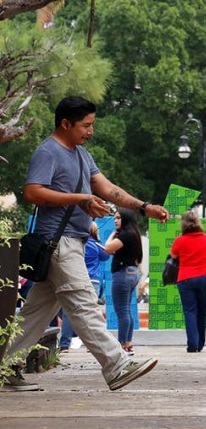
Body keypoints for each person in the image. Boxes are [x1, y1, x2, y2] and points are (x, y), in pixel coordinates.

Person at [3, 96, 168, 392]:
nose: (90, 131)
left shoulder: (80, 153)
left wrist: (144, 207)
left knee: (34, 314)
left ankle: (5, 367)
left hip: (72, 241)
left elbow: (107, 188)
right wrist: (80, 199)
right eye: (85, 125)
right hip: (58, 243)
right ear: (65, 124)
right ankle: (116, 365)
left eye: (92, 125)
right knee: (84, 304)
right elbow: (32, 192)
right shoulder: (48, 151)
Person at [59, 222, 109, 353]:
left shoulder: (75, 244)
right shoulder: (95, 245)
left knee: (67, 313)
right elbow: (106, 256)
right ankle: (93, 345)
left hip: (73, 278)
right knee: (91, 313)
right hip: (92, 282)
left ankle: (64, 345)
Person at [169, 211, 206, 353]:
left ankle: (192, 344)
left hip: (185, 278)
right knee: (202, 310)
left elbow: (173, 255)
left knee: (190, 311)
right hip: (204, 278)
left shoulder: (179, 240)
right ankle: (200, 344)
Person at [104, 208, 142, 356]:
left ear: (125, 219)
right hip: (133, 272)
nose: (115, 220)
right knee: (127, 310)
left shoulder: (125, 235)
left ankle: (122, 345)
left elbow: (107, 248)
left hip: (122, 273)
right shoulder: (134, 234)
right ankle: (128, 343)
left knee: (122, 311)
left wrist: (113, 234)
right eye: (115, 218)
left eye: (118, 218)